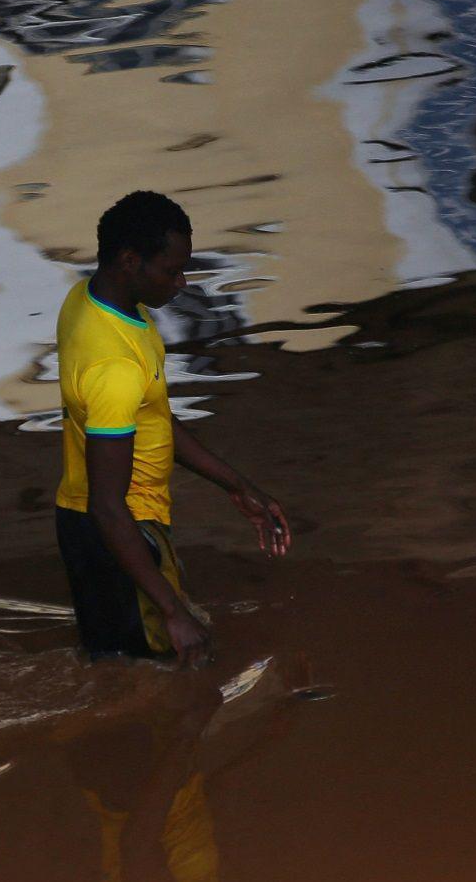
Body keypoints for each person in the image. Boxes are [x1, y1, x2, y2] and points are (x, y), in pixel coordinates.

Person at [54, 190, 292, 667]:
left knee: (117, 670)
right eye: (170, 270)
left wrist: (238, 487)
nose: (182, 282)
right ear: (129, 261)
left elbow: (155, 419)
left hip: (96, 527)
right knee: (174, 674)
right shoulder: (113, 364)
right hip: (120, 534)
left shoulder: (90, 300)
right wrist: (173, 610)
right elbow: (107, 506)